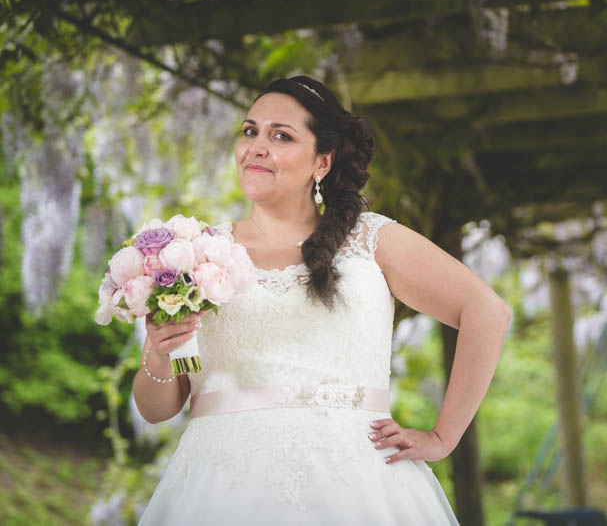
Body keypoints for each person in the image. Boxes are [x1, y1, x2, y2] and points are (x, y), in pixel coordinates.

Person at [133, 75, 511, 525]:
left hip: (356, 488)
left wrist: (442, 437)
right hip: (221, 489)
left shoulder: (372, 240)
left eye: (281, 136)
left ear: (322, 161)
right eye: (250, 131)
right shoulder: (195, 252)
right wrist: (159, 354)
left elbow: (487, 311)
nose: (256, 147)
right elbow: (158, 409)